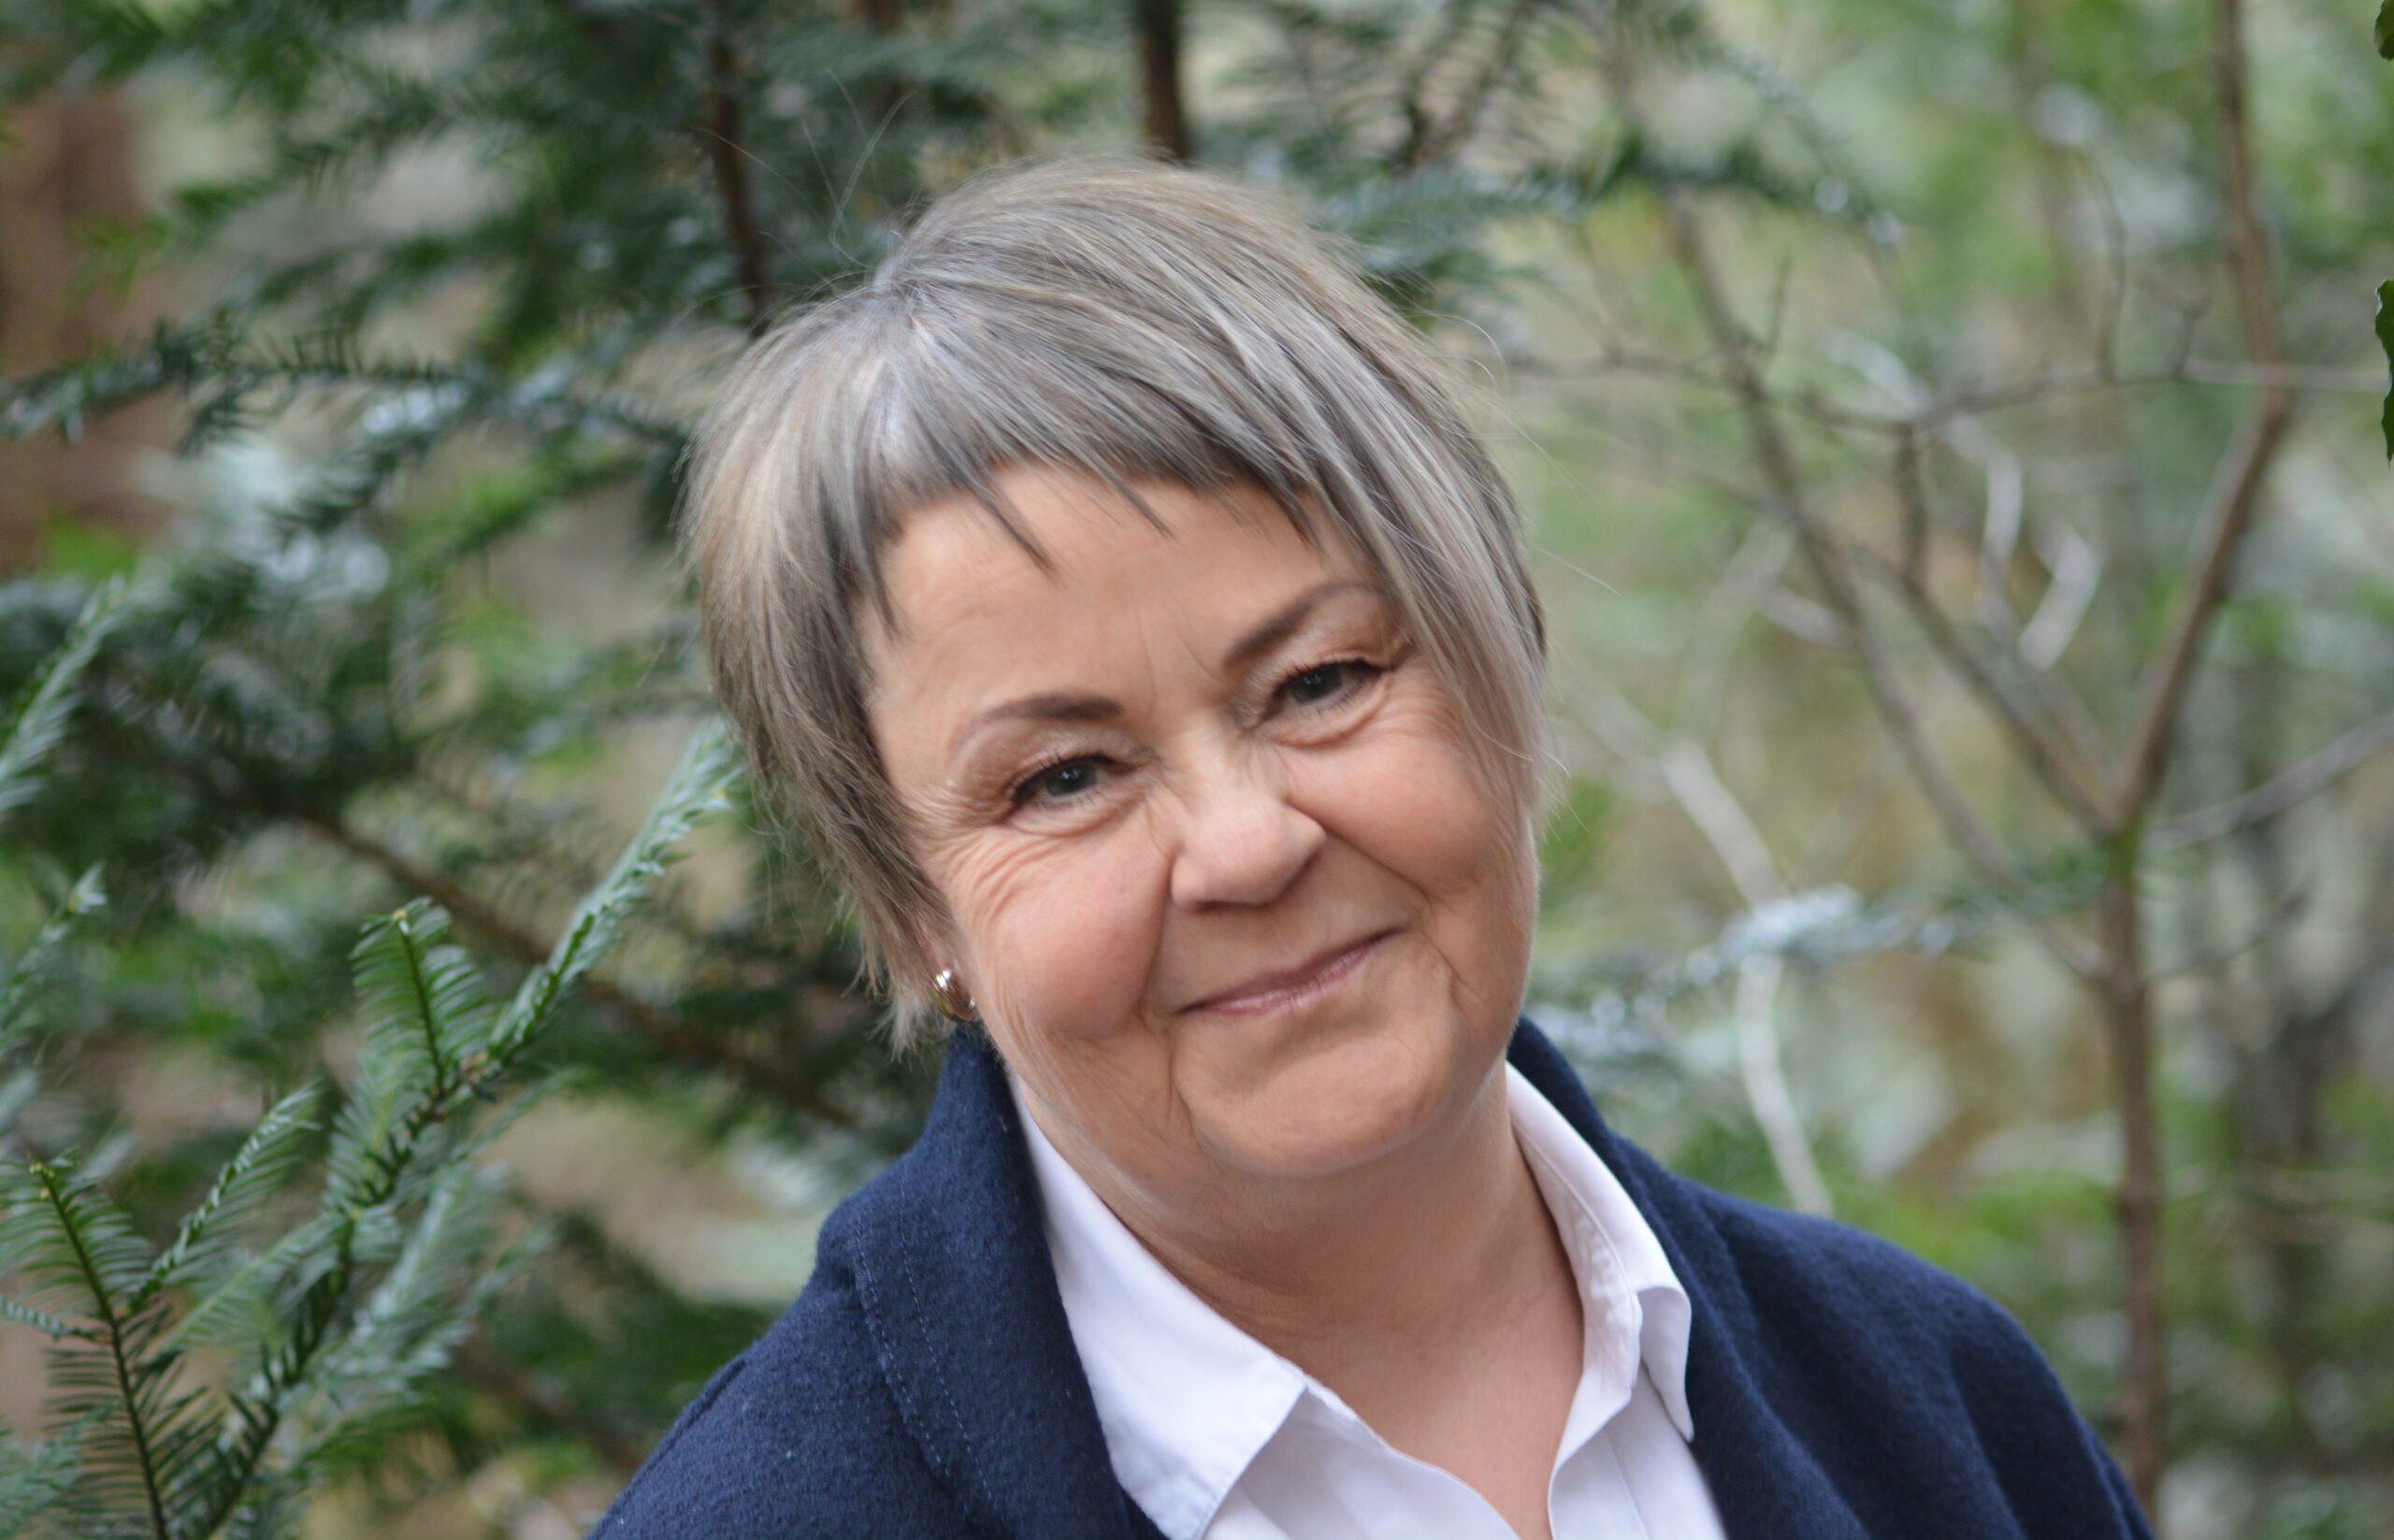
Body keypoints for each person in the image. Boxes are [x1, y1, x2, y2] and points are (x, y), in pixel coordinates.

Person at [591, 157, 2154, 1540]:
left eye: (1320, 681)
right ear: (907, 899)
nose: (1248, 846)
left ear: (1499, 657)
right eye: (1065, 778)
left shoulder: (1935, 1401)